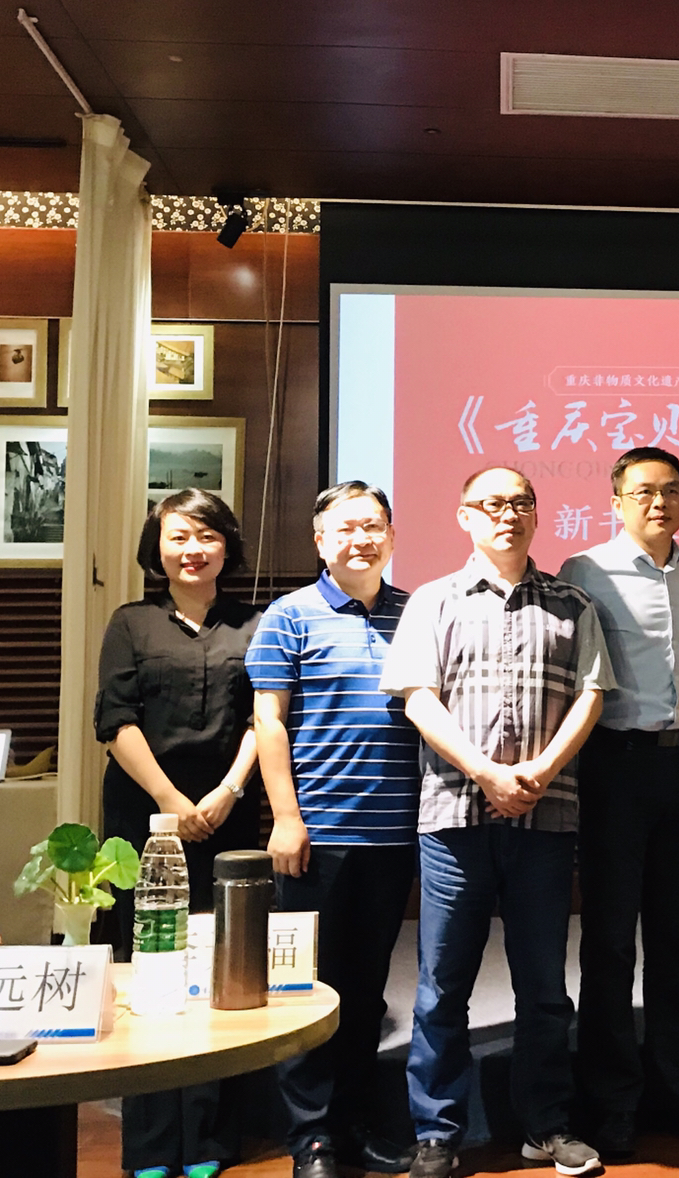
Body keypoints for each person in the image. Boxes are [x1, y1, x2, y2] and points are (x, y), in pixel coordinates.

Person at [379, 467, 614, 1178]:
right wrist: (486, 772)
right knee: (442, 985)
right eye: (492, 504)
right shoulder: (433, 600)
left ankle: (547, 1125)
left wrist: (540, 770)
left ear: (536, 514)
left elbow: (592, 696)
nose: (507, 514)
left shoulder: (574, 603)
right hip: (454, 816)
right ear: (464, 516)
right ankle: (438, 1133)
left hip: (547, 814)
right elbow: (418, 699)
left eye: (520, 503)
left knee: (543, 986)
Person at [557, 446, 679, 1154]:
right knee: (609, 941)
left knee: (676, 939)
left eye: (671, 491)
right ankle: (611, 1099)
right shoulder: (584, 571)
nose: (659, 503)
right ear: (616, 501)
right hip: (615, 766)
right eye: (643, 492)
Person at [246, 483, 423, 1178]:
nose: (362, 539)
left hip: (396, 834)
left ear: (392, 535)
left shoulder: (415, 612)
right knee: (308, 987)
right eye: (346, 528)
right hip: (316, 834)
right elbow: (269, 721)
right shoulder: (290, 615)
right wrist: (286, 818)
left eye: (374, 526)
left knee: (368, 987)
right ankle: (311, 1137)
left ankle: (356, 1122)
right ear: (320, 541)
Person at [96, 488, 262, 1178]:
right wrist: (170, 802)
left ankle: (211, 1139)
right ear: (157, 548)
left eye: (207, 536)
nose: (193, 550)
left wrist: (226, 792)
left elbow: (263, 721)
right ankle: (152, 1144)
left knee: (220, 968)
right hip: (145, 820)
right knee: (151, 968)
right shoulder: (131, 622)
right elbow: (114, 720)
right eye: (178, 537)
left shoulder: (255, 624)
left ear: (227, 545)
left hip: (229, 816)